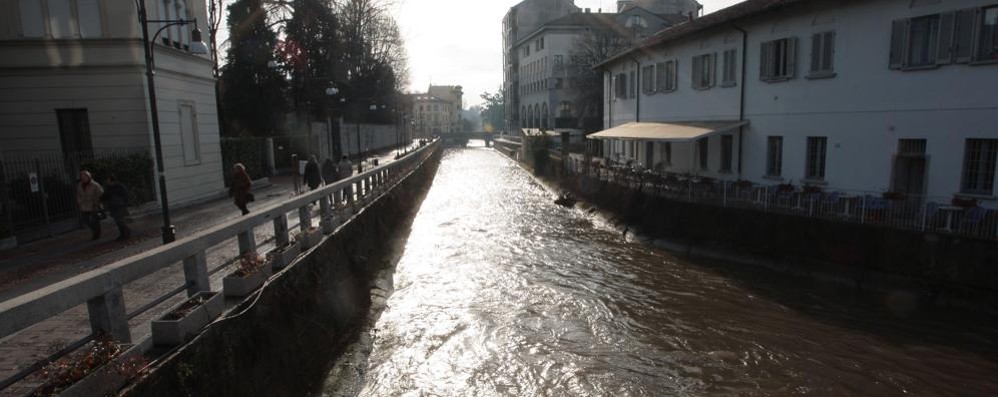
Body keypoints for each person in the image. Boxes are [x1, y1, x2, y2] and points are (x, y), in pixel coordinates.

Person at [101, 174, 131, 241]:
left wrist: (124, 203)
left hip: (119, 206)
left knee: (120, 220)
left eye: (108, 180)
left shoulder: (120, 187)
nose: (107, 182)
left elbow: (126, 195)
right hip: (113, 206)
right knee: (118, 221)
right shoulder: (108, 188)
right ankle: (123, 233)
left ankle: (126, 232)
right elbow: (104, 196)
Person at [76, 170, 104, 240]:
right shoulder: (79, 185)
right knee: (86, 221)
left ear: (89, 177)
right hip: (84, 206)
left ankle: (96, 233)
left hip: (93, 205)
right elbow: (78, 194)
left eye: (85, 176)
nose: (83, 178)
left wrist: (97, 202)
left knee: (94, 220)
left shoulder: (95, 185)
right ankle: (95, 231)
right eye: (82, 176)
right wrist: (79, 202)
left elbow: (101, 193)